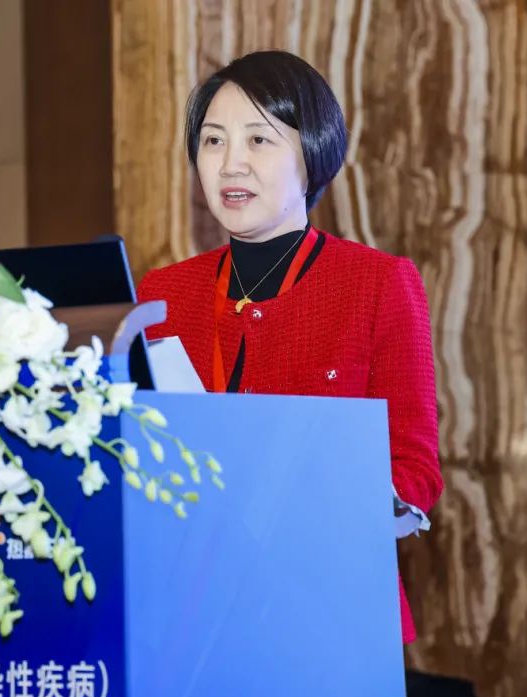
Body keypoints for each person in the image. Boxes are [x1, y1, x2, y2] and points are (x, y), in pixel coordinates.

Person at [137, 50, 443, 643]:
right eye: (213, 141)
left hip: (328, 614)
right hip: (189, 613)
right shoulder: (163, 293)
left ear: (312, 155)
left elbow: (416, 469)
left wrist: (346, 493)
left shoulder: (377, 283)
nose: (231, 164)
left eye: (259, 140)